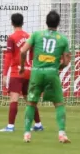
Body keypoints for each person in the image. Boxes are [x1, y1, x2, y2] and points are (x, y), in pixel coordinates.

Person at [20, 9, 71, 144]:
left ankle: (26, 134)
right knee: (59, 103)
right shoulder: (63, 39)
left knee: (31, 102)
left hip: (36, 73)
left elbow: (23, 50)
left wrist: (22, 67)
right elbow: (66, 61)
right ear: (58, 23)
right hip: (51, 73)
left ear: (46, 22)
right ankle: (61, 134)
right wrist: (58, 68)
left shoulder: (37, 34)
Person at [0, 12, 42, 133]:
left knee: (14, 99)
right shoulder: (29, 36)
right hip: (28, 72)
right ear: (23, 23)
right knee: (29, 99)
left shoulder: (12, 37)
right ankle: (38, 124)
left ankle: (10, 126)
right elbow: (33, 56)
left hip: (16, 72)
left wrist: (4, 74)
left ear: (12, 23)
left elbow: (8, 56)